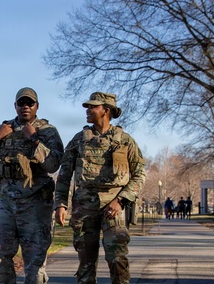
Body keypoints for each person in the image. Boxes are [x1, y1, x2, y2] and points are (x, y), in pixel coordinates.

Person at [54, 92, 146, 284]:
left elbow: (139, 174)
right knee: (86, 264)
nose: (88, 110)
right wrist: (60, 204)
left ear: (106, 110)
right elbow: (64, 174)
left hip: (114, 207)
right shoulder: (79, 139)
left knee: (117, 260)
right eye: (87, 107)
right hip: (84, 207)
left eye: (92, 107)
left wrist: (121, 200)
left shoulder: (125, 141)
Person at [0, 87, 64, 284]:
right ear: (15, 106)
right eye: (21, 103)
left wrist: (34, 140)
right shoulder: (3, 129)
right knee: (0, 259)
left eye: (30, 103)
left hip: (35, 204)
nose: (25, 106)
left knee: (34, 262)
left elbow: (54, 164)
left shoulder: (47, 131)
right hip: (5, 203)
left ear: (37, 106)